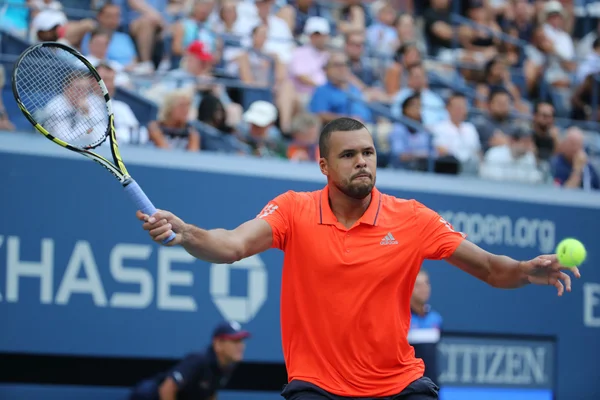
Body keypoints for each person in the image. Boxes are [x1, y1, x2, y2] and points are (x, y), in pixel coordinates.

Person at [137, 117, 581, 400]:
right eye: (348, 155)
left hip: (399, 386)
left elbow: (488, 268)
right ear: (324, 166)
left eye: (367, 153)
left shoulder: (412, 218)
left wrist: (525, 270)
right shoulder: (293, 208)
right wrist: (187, 233)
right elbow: (231, 246)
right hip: (318, 388)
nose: (362, 162)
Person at [129, 321, 250, 400]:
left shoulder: (226, 367)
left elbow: (211, 393)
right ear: (218, 344)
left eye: (241, 341)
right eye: (235, 341)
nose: (241, 346)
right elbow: (167, 388)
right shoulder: (199, 360)